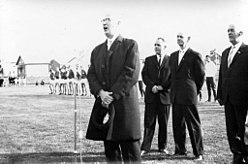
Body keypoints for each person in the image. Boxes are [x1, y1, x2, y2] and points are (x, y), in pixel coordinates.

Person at [87, 13, 141, 163]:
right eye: (102, 20)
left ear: (118, 22)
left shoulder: (130, 45)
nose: (105, 23)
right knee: (111, 150)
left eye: (108, 20)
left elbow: (131, 73)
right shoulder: (97, 51)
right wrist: (100, 92)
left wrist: (112, 95)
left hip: (125, 108)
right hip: (106, 108)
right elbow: (91, 75)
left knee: (130, 151)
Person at [169, 32, 205, 161]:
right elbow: (171, 76)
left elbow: (200, 76)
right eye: (177, 36)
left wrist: (195, 90)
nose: (179, 39)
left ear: (188, 39)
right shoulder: (173, 56)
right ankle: (180, 150)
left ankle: (198, 152)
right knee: (177, 124)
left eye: (181, 37)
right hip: (176, 96)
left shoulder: (195, 55)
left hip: (189, 95)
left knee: (193, 125)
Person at [216, 24, 248, 164]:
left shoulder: (247, 51)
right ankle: (237, 156)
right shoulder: (225, 52)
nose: (229, 33)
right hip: (228, 99)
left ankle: (246, 156)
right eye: (228, 30)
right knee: (231, 130)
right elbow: (222, 75)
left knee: (244, 130)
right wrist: (220, 94)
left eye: (232, 30)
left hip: (243, 99)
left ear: (240, 32)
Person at [140, 37, 171, 156]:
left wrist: (162, 87)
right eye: (155, 45)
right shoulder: (149, 60)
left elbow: (172, 78)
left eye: (158, 45)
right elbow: (144, 74)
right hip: (151, 96)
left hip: (164, 97)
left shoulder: (171, 60)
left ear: (165, 47)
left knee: (163, 123)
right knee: (149, 123)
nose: (156, 47)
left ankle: (162, 147)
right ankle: (145, 147)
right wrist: (152, 86)